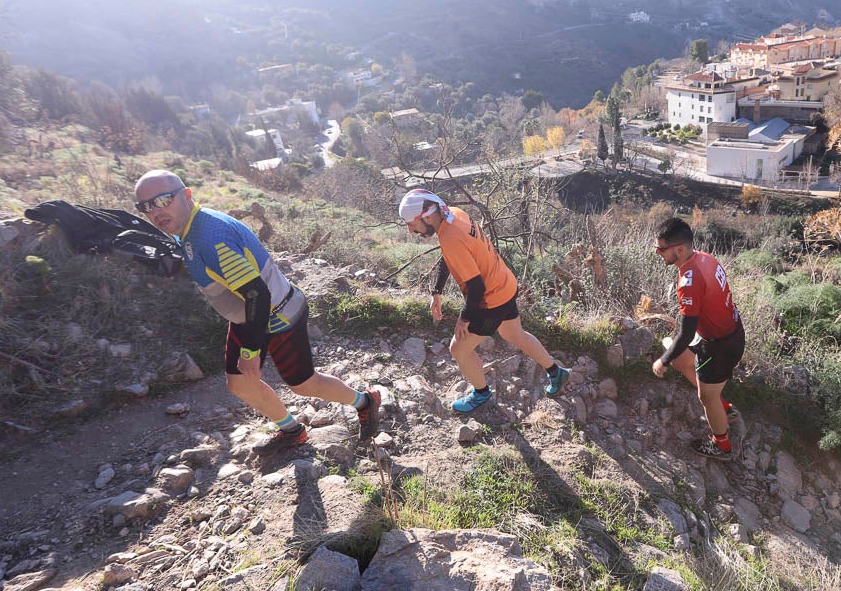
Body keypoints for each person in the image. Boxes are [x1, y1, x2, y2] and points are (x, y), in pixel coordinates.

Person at [134, 170, 381, 456]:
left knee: (304, 384)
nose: (155, 211)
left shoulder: (209, 237)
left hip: (277, 315)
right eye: (145, 207)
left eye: (163, 200)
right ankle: (292, 430)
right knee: (240, 383)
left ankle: (365, 402)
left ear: (187, 195)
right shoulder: (189, 229)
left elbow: (257, 294)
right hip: (248, 317)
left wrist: (250, 352)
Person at [398, 188, 569, 413]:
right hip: (505, 282)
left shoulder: (450, 236)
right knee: (513, 334)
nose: (410, 230)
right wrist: (437, 291)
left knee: (458, 349)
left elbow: (476, 287)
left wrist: (464, 319)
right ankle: (557, 372)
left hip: (491, 299)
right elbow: (450, 256)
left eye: (412, 223)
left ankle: (481, 394)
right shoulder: (454, 215)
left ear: (428, 215)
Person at [650, 217, 746, 461]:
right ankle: (724, 409)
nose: (658, 253)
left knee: (706, 397)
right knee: (682, 360)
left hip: (720, 346)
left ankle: (721, 446)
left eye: (662, 249)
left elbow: (686, 332)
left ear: (679, 249)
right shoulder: (705, 257)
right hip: (727, 333)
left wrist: (662, 361)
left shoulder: (688, 280)